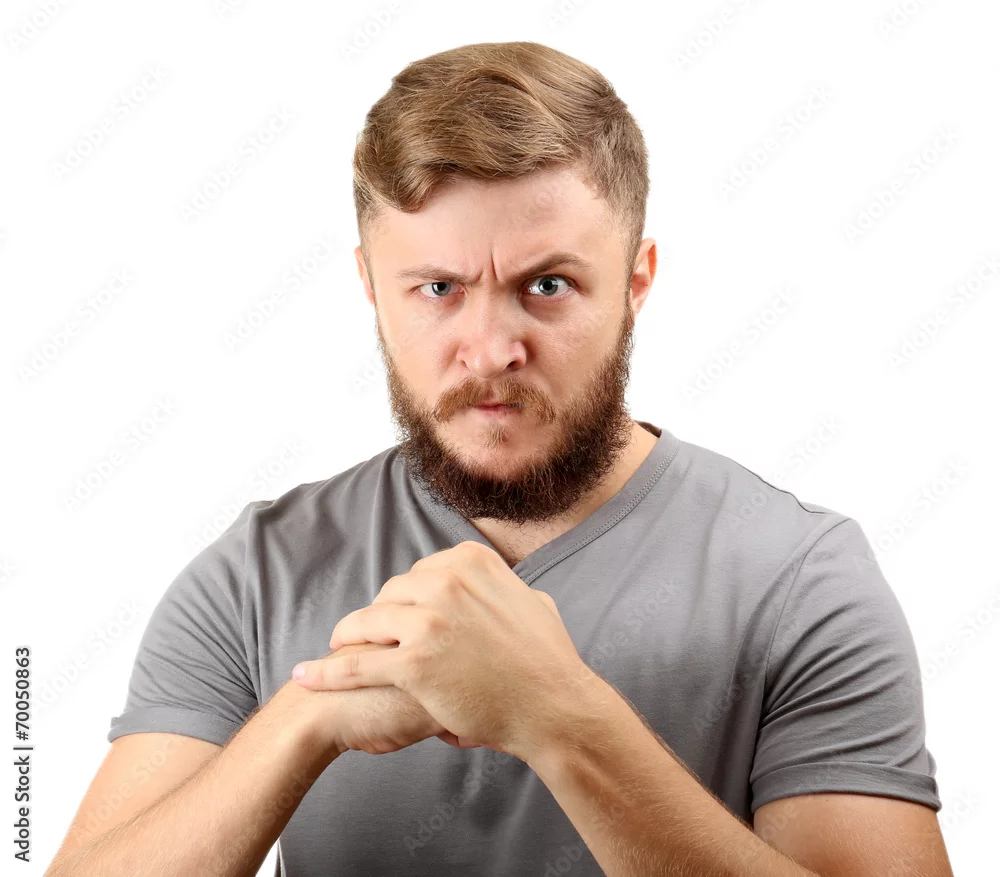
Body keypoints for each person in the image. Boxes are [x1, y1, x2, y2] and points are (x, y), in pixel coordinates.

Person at [46, 41, 954, 877]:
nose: (489, 350)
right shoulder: (260, 572)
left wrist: (558, 715)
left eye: (547, 285)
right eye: (438, 288)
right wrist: (307, 713)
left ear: (636, 281)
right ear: (371, 287)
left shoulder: (800, 577)